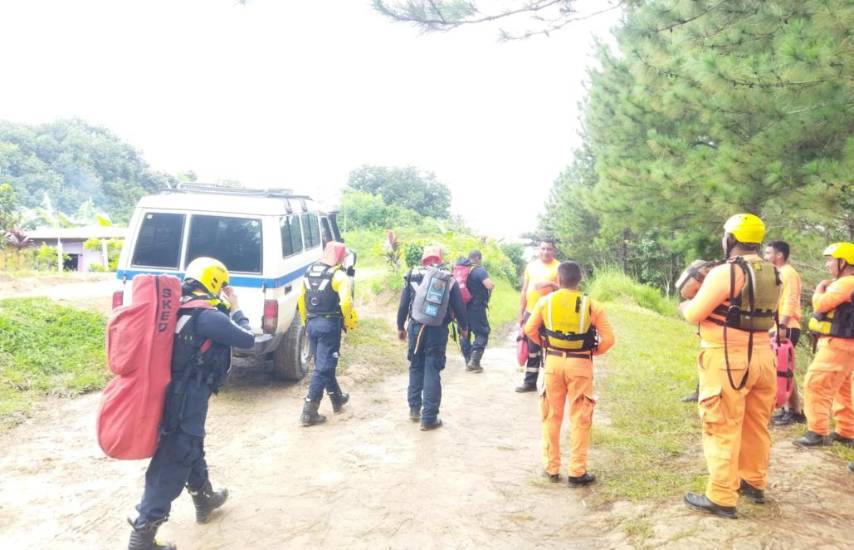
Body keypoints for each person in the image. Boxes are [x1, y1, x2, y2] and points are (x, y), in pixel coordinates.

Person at [128, 257, 254, 550]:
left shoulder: (174, 308)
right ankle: (142, 536)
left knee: (190, 444)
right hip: (188, 397)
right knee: (176, 456)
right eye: (222, 284)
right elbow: (247, 339)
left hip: (169, 392)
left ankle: (204, 499)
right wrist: (235, 306)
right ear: (213, 282)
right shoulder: (207, 317)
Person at [679, 214, 780, 519]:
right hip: (764, 357)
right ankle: (753, 481)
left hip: (727, 360)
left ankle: (722, 496)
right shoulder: (774, 272)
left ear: (732, 239)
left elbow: (695, 313)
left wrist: (684, 305)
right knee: (756, 424)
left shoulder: (726, 273)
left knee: (721, 425)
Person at [524, 261, 614, 486]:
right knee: (580, 417)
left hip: (553, 362)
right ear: (580, 279)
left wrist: (545, 344)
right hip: (581, 364)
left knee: (552, 415)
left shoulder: (545, 302)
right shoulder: (592, 305)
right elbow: (609, 340)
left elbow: (529, 330)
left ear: (558, 279)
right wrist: (592, 351)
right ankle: (577, 471)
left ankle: (551, 468)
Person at [397, 245, 468, 430]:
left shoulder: (412, 273)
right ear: (440, 257)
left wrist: (400, 327)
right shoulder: (446, 277)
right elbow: (458, 305)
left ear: (423, 258)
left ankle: (414, 409)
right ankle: (429, 418)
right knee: (432, 369)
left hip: (415, 327)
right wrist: (464, 327)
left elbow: (404, 303)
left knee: (416, 365)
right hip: (437, 329)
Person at [793, 242, 854, 448]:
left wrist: (819, 289)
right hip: (844, 345)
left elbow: (821, 304)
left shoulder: (846, 283)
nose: (828, 264)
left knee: (816, 384)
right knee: (841, 388)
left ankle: (817, 433)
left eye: (830, 260)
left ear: (843, 261)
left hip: (838, 344)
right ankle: (846, 432)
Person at [298, 241, 358, 427]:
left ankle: (337, 398)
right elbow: (346, 303)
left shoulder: (309, 272)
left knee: (323, 362)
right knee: (323, 367)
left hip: (312, 323)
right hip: (329, 325)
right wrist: (348, 322)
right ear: (340, 257)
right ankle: (309, 410)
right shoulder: (339, 276)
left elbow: (301, 299)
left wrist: (304, 321)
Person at [764, 241, 805, 426]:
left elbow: (790, 299)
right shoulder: (778, 272)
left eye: (768, 252)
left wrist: (782, 325)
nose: (765, 256)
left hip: (787, 326)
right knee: (783, 368)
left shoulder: (788, 273)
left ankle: (794, 411)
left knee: (783, 369)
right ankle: (790, 409)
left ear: (779, 255)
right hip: (779, 326)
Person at [516, 239, 560, 392]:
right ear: (538, 250)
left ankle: (551, 385)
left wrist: (552, 285)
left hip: (550, 314)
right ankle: (530, 383)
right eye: (543, 249)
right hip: (530, 311)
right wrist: (521, 313)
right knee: (532, 348)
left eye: (549, 249)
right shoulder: (531, 266)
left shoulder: (558, 267)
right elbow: (524, 290)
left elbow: (564, 290)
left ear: (554, 251)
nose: (546, 252)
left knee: (552, 348)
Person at [458, 250, 495, 373]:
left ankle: (468, 360)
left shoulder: (462, 270)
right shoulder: (479, 270)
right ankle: (474, 361)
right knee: (482, 332)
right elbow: (488, 285)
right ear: (478, 258)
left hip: (461, 307)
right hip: (476, 308)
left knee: (464, 333)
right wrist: (492, 285)